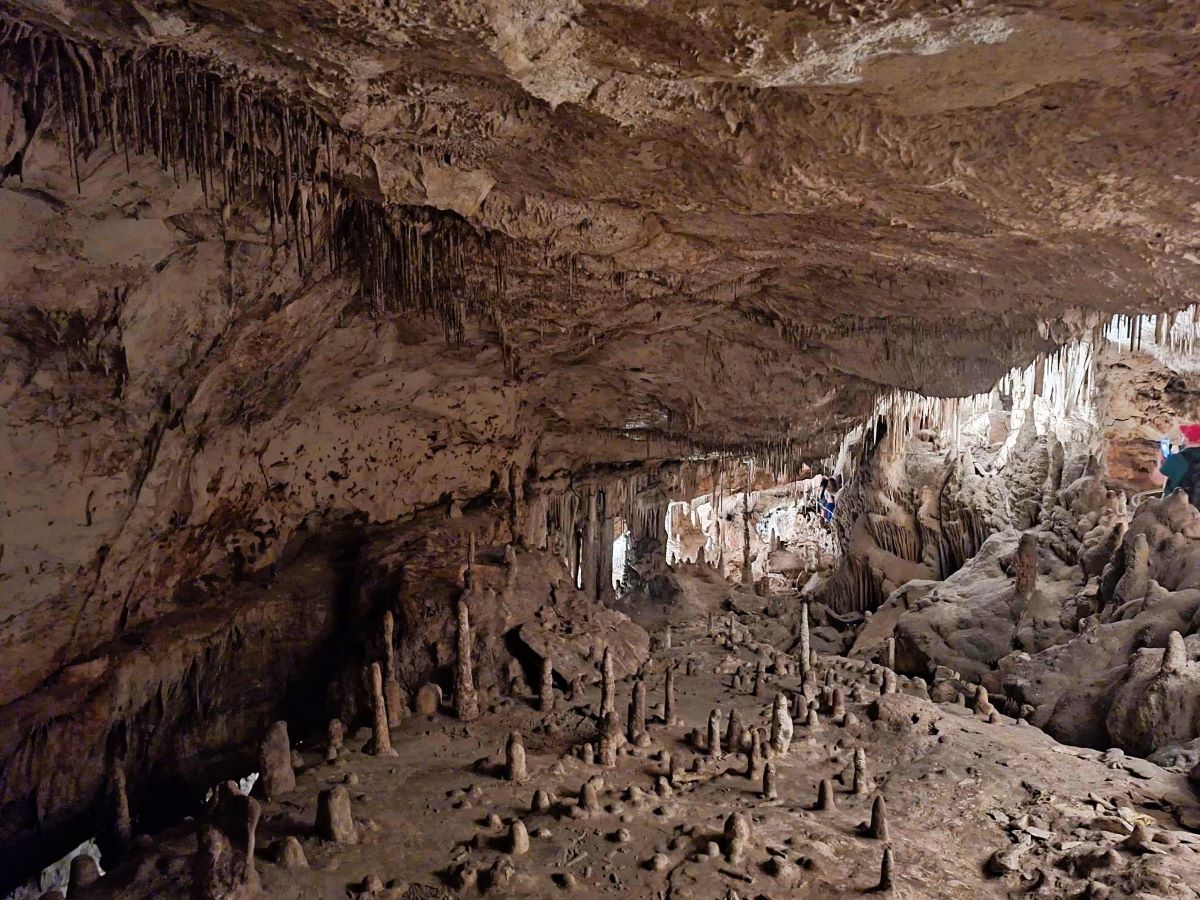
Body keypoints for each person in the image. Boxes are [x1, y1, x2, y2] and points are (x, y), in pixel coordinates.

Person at [1159, 424, 1200, 508]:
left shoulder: (1177, 458)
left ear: (1186, 439)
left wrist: (1160, 459)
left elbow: (1157, 480)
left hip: (1179, 512)